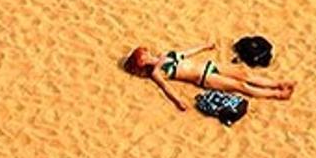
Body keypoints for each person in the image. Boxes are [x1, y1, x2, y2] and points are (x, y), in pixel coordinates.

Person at [123, 42, 295, 111]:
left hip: (209, 65)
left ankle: (278, 83)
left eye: (143, 53)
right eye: (142, 57)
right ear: (141, 62)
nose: (145, 55)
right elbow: (166, 88)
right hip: (204, 77)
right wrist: (178, 101)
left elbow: (185, 53)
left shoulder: (165, 54)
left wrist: (204, 46)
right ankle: (277, 94)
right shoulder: (156, 73)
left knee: (245, 75)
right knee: (241, 87)